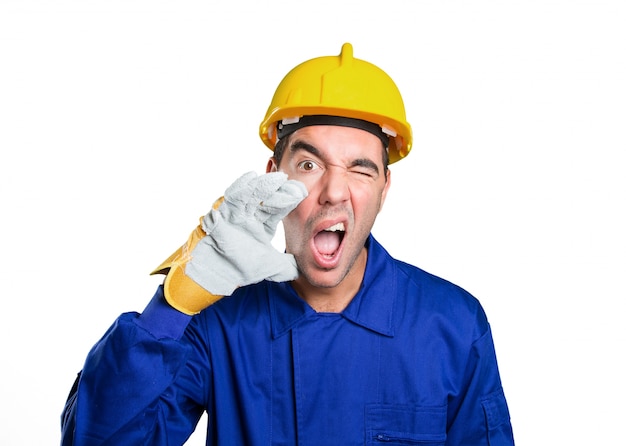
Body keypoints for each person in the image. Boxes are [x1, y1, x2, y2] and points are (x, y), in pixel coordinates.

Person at [61, 43, 514, 445]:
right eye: (310, 164)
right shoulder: (218, 321)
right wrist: (174, 304)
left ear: (384, 188)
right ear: (274, 177)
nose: (335, 192)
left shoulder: (453, 324)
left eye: (360, 169)